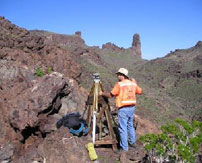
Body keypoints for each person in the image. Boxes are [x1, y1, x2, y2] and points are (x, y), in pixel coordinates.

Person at [100, 68, 142, 153]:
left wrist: (102, 93)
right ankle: (132, 142)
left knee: (123, 128)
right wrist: (135, 83)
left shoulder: (119, 84)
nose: (117, 76)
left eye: (118, 74)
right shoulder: (132, 84)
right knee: (130, 125)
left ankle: (124, 148)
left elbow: (111, 95)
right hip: (131, 108)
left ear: (122, 75)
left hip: (123, 109)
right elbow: (140, 91)